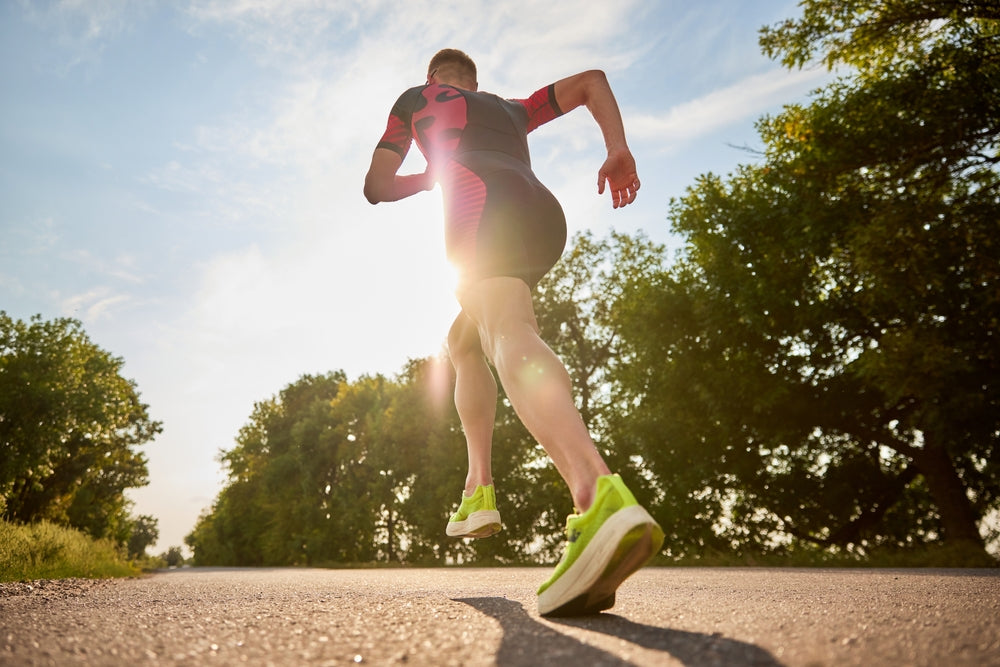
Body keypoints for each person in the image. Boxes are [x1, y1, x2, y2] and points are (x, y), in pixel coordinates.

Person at [364, 48, 663, 617]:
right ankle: (478, 488)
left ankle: (596, 493)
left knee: (505, 330)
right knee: (466, 340)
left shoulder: (416, 99)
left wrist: (430, 177)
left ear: (433, 79)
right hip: (541, 213)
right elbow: (592, 81)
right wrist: (617, 150)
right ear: (476, 81)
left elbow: (377, 185)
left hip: (478, 202)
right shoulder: (509, 107)